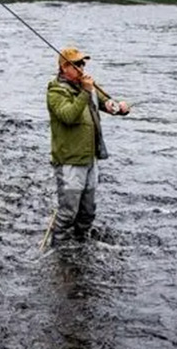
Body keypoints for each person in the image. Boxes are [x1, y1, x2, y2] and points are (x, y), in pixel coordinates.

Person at [46, 45, 129, 246]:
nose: (82, 67)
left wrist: (117, 108)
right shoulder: (56, 91)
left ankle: (81, 245)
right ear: (65, 67)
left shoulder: (87, 88)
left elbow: (105, 102)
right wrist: (85, 91)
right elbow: (68, 115)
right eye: (77, 64)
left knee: (88, 211)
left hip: (90, 157)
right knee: (68, 212)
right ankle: (59, 252)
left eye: (83, 63)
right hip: (70, 161)